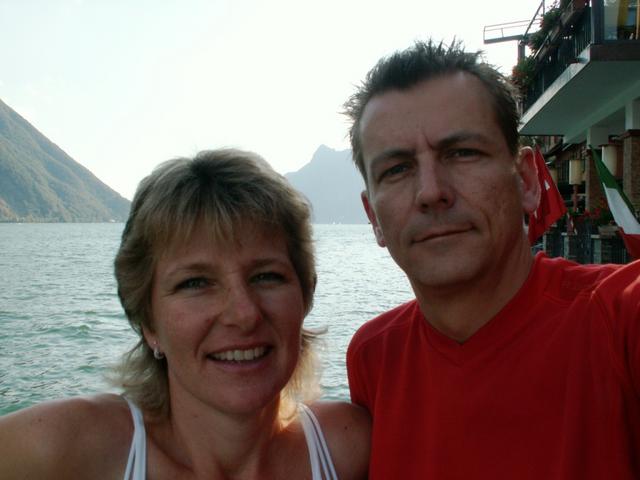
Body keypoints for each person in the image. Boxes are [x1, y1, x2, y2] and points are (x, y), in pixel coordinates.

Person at [343, 40, 640, 479]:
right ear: (374, 219)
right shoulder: (374, 357)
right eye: (397, 170)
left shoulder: (617, 320)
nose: (431, 192)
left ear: (526, 181)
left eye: (462, 153)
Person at [0, 149, 370, 479]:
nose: (244, 314)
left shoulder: (350, 449)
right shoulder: (64, 450)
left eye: (267, 276)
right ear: (148, 321)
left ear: (305, 295)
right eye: (196, 283)